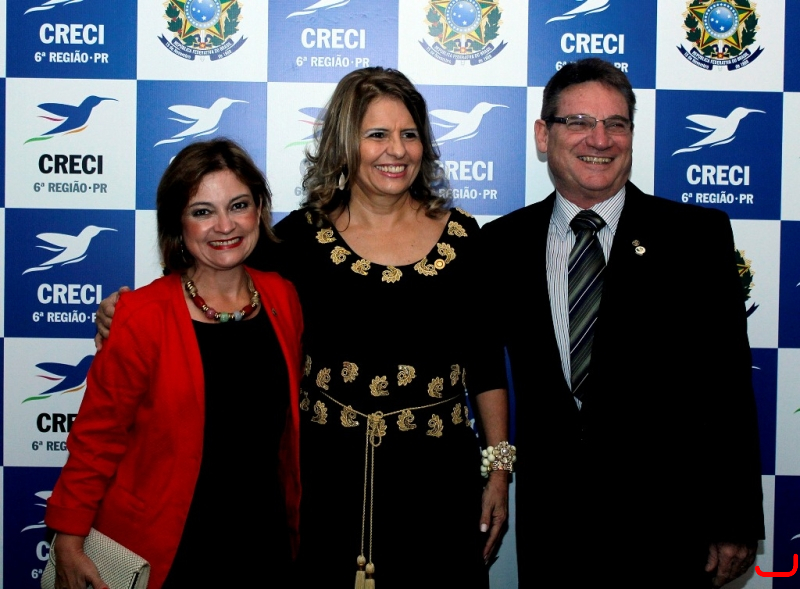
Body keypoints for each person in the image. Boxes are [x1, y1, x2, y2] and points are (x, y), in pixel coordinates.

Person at [96, 67, 510, 589]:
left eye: (409, 134)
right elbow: (214, 282)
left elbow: (485, 362)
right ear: (344, 143)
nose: (396, 150)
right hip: (323, 484)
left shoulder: (465, 239)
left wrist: (498, 470)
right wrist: (127, 312)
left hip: (437, 481)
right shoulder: (296, 239)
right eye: (376, 134)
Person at [480, 57, 764, 588]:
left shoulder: (695, 238)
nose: (600, 139)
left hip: (670, 533)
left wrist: (736, 519)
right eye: (579, 122)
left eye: (616, 124)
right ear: (543, 135)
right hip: (554, 534)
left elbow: (727, 386)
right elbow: (480, 368)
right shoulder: (501, 245)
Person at [46, 139, 304, 589]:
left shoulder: (283, 296)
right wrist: (68, 540)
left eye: (238, 205)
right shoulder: (141, 315)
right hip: (166, 551)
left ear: (259, 210)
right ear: (177, 224)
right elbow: (97, 439)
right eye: (202, 211)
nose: (224, 225)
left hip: (264, 543)